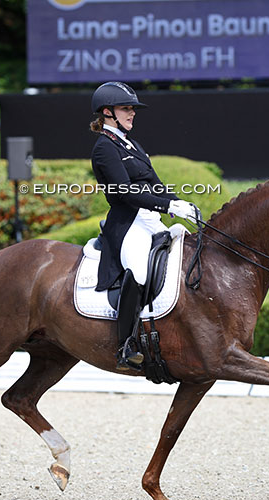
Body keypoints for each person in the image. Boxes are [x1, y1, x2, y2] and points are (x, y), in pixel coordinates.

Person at [89, 81, 199, 371]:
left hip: (150, 219)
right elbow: (124, 191)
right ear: (107, 112)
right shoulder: (104, 148)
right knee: (138, 271)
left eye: (132, 109)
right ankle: (126, 345)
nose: (132, 113)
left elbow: (155, 186)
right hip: (128, 224)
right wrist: (167, 206)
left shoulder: (131, 145)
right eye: (126, 108)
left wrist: (180, 204)